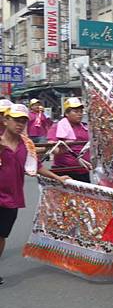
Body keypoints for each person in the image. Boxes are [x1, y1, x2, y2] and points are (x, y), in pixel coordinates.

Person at [0, 104, 69, 285]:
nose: (20, 124)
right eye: (16, 120)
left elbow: (36, 167)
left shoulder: (27, 145)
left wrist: (58, 178)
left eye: (23, 121)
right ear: (5, 120)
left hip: (12, 197)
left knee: (1, 235)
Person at [47, 98, 91, 183]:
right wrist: (63, 147)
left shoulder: (85, 127)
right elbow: (52, 148)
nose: (79, 114)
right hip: (64, 170)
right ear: (67, 113)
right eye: (76, 111)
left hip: (83, 169)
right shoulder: (57, 127)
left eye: (81, 111)